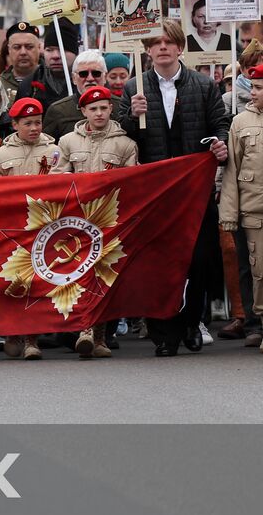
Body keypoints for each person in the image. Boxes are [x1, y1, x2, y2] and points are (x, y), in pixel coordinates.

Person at [116, 20, 229, 356]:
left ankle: (192, 323)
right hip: (154, 191)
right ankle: (164, 333)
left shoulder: (203, 85)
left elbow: (219, 124)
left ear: (180, 48)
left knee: (198, 258)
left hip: (195, 189)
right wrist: (130, 116)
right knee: (156, 260)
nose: (163, 47)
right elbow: (122, 137)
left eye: (169, 42)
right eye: (156, 42)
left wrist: (219, 144)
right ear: (147, 51)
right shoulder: (135, 87)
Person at [51, 85, 140, 357]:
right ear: (83, 111)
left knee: (103, 277)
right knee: (80, 275)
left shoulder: (125, 144)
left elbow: (133, 184)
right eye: (93, 109)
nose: (99, 113)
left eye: (103, 108)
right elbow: (56, 177)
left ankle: (99, 336)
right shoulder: (68, 142)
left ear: (111, 109)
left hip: (109, 222)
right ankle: (85, 329)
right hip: (77, 222)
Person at [219, 65, 263, 355]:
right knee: (257, 270)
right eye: (253, 87)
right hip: (252, 211)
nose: (253, 93)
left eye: (259, 88)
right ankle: (258, 322)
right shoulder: (240, 121)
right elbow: (231, 172)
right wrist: (228, 215)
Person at [43, 50, 107, 140]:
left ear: (105, 77)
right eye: (83, 74)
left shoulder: (118, 106)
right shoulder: (58, 111)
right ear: (74, 78)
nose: (90, 78)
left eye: (96, 73)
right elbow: (47, 145)